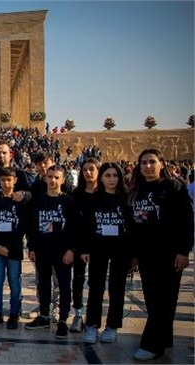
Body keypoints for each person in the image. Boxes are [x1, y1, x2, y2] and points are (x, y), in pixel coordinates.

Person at [128, 149, 193, 361]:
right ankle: (164, 339)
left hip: (169, 253)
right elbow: (134, 226)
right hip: (147, 254)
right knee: (153, 298)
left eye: (152, 162)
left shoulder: (173, 187)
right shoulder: (137, 189)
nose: (147, 166)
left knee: (164, 299)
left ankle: (151, 344)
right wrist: (134, 254)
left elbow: (186, 221)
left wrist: (184, 251)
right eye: (144, 162)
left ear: (161, 164)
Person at [80, 162, 133, 344]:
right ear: (101, 178)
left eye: (115, 175)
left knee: (117, 288)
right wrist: (85, 248)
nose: (112, 179)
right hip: (98, 247)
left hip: (121, 248)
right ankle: (92, 325)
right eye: (107, 175)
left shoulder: (127, 199)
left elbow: (133, 227)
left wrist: (133, 254)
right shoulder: (93, 199)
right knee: (96, 287)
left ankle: (112, 326)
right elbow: (86, 225)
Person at [25, 165, 77, 339]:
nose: (53, 180)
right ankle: (45, 315)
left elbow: (75, 228)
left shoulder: (68, 201)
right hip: (42, 250)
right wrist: (31, 247)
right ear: (45, 178)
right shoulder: (38, 201)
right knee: (43, 284)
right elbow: (31, 226)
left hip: (62, 252)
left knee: (63, 286)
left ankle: (62, 320)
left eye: (57, 177)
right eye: (50, 177)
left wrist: (71, 249)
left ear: (62, 180)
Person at [0, 167, 28, 330]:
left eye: (9, 180)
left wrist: (8, 246)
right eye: (3, 180)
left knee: (15, 283)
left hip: (14, 249)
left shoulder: (20, 201)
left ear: (15, 181)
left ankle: (14, 314)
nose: (6, 183)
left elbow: (22, 226)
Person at [70, 158, 101, 332]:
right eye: (85, 170)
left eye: (92, 169)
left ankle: (93, 317)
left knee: (96, 282)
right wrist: (80, 248)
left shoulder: (104, 193)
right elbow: (74, 222)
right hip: (80, 244)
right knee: (78, 279)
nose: (88, 173)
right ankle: (78, 314)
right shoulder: (77, 194)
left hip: (98, 244)